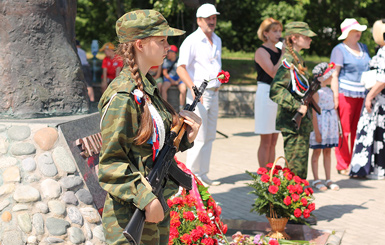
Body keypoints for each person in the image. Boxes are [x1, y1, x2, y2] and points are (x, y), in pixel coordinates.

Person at [98, 10, 202, 245]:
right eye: (162, 40)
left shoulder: (147, 88)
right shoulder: (123, 96)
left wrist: (187, 136)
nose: (168, 46)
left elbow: (151, 147)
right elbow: (109, 165)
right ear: (140, 44)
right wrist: (146, 199)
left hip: (153, 208)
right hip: (130, 215)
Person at [177, 3, 222, 187]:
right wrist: (193, 88)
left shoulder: (217, 39)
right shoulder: (192, 40)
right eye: (208, 18)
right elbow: (181, 68)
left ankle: (203, 173)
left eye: (214, 18)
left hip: (214, 93)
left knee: (210, 135)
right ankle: (191, 176)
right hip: (199, 95)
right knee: (199, 135)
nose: (212, 22)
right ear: (199, 20)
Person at [269, 22, 317, 180]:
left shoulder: (297, 59)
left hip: (301, 123)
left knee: (300, 169)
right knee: (295, 170)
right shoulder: (288, 61)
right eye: (306, 36)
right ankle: (292, 202)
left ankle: (297, 202)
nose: (310, 39)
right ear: (294, 38)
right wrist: (297, 106)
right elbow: (276, 90)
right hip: (292, 122)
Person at [330, 18, 371, 175]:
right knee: (344, 130)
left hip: (362, 94)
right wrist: (335, 96)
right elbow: (334, 74)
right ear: (347, 33)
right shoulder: (339, 50)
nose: (359, 33)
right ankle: (342, 164)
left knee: (358, 130)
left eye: (359, 30)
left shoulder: (364, 47)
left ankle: (357, 162)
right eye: (355, 31)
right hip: (345, 94)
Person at [350, 19, 385, 180]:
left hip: (379, 99)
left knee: (377, 133)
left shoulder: (383, 51)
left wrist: (370, 97)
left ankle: (377, 169)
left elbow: (383, 78)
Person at [254, 17, 284, 168]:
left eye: (280, 30)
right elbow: (272, 72)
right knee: (266, 139)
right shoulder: (261, 51)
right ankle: (262, 174)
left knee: (274, 139)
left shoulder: (280, 51)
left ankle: (271, 174)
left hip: (278, 94)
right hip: (266, 93)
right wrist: (284, 54)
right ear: (265, 33)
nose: (278, 34)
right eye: (274, 31)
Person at [309, 63, 340, 191]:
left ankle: (328, 178)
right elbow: (314, 114)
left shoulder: (329, 91)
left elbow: (333, 110)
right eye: (329, 75)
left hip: (330, 128)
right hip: (321, 127)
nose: (332, 77)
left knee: (327, 151)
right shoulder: (317, 93)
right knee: (317, 152)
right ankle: (316, 179)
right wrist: (317, 132)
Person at [162, 45, 187, 111]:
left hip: (179, 78)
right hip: (169, 78)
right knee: (164, 88)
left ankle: (181, 107)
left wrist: (179, 80)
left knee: (183, 89)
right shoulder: (166, 61)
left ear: (173, 53)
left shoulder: (180, 61)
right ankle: (165, 106)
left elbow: (184, 71)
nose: (167, 54)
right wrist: (171, 80)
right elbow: (165, 73)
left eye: (168, 52)